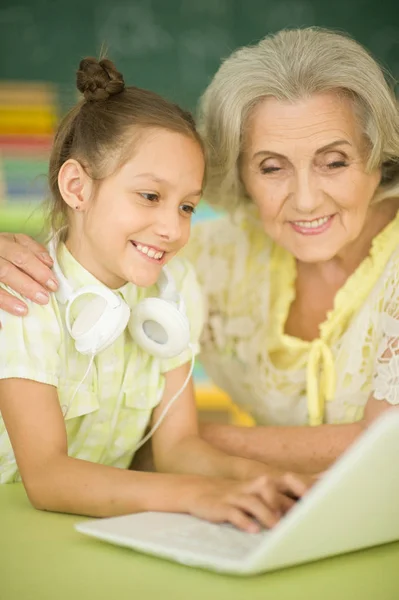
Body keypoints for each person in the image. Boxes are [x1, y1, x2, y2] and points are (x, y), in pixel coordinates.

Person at [2, 27, 399, 474]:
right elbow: (99, 253)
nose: (305, 199)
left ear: (378, 155)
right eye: (272, 167)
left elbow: (387, 444)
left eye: (334, 162)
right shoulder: (207, 259)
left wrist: (178, 438)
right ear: (239, 174)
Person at [0, 57, 310, 531]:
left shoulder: (176, 290)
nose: (172, 228)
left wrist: (272, 484)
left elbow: (178, 447)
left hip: (102, 526)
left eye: (187, 206)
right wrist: (198, 496)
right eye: (150, 196)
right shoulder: (25, 298)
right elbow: (45, 476)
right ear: (77, 187)